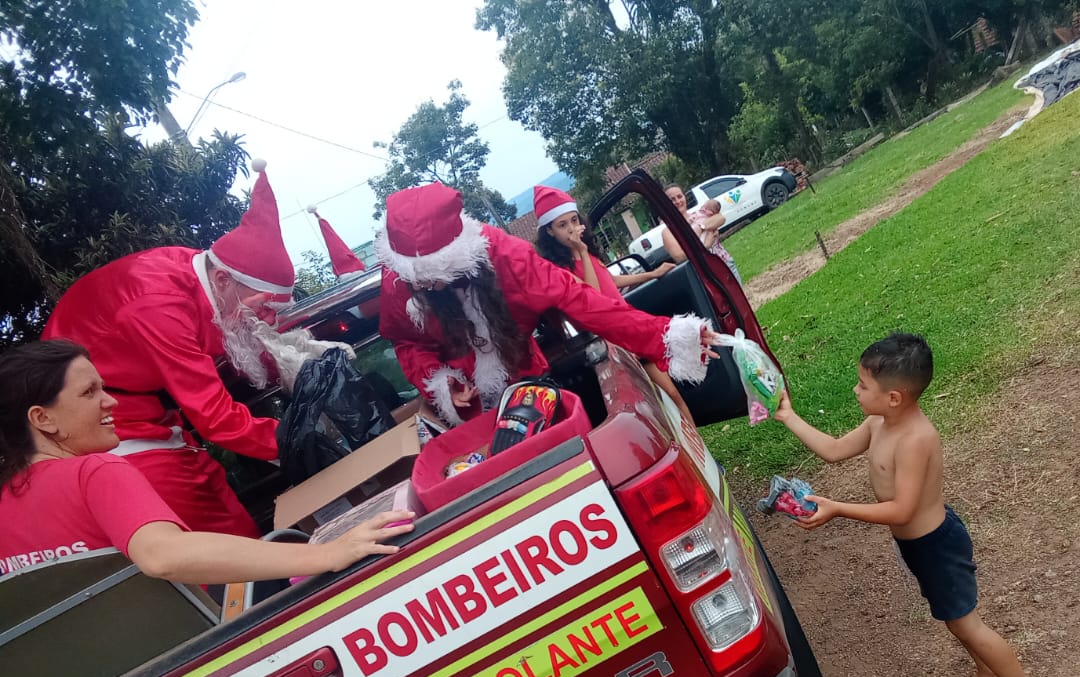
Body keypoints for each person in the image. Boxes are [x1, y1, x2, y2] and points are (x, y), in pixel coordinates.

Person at [41, 160, 346, 538]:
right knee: (220, 535)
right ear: (222, 279)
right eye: (264, 306)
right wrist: (305, 438)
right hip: (109, 432)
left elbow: (239, 344)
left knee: (228, 512)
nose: (267, 319)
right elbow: (216, 418)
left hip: (149, 416)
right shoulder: (159, 306)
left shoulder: (203, 276)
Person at [774, 333, 1046, 677]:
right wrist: (787, 416)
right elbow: (833, 450)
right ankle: (988, 672)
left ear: (895, 397)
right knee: (954, 620)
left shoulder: (917, 439)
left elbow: (902, 510)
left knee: (967, 623)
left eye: (863, 385)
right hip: (919, 546)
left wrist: (837, 509)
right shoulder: (878, 422)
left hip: (937, 545)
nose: (856, 390)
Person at [0, 341, 412, 583]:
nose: (111, 402)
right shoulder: (94, 472)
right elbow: (162, 555)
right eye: (90, 393)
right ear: (42, 418)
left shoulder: (6, 504)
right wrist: (325, 554)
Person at [376, 181, 716, 428]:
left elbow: (583, 301)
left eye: (433, 275)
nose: (422, 286)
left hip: (527, 380)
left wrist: (666, 334)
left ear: (458, 258)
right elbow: (407, 342)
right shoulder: (400, 282)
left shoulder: (511, 258)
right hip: (466, 412)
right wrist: (439, 382)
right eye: (415, 279)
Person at [531, 185, 693, 425]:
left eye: (574, 220)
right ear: (550, 232)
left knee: (671, 394)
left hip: (631, 328)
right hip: (612, 342)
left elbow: (611, 280)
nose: (572, 229)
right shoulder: (559, 270)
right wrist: (580, 254)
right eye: (562, 225)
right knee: (649, 409)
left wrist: (651, 275)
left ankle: (699, 453)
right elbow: (593, 297)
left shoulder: (590, 253)